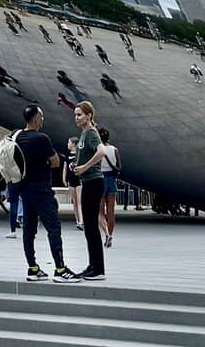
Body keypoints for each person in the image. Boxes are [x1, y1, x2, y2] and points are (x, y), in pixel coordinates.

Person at [14, 105, 80, 283]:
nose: (43, 120)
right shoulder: (42, 138)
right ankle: (60, 269)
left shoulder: (17, 136)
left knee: (29, 229)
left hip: (25, 189)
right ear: (35, 118)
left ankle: (33, 268)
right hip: (41, 189)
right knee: (53, 227)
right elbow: (56, 161)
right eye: (41, 117)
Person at [72, 102, 105, 281]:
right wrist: (77, 166)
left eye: (79, 115)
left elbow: (101, 152)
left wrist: (85, 167)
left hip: (94, 181)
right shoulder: (84, 133)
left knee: (91, 226)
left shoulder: (91, 133)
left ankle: (98, 268)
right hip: (88, 181)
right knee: (89, 227)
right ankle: (92, 265)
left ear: (89, 115)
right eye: (75, 115)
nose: (76, 118)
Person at [98, 127, 119, 249]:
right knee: (111, 212)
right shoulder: (114, 150)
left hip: (100, 179)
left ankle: (106, 233)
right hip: (111, 180)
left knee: (100, 211)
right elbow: (119, 166)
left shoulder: (98, 149)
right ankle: (110, 235)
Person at [64, 137, 83, 229]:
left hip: (79, 180)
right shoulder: (67, 155)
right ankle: (77, 220)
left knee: (79, 202)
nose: (68, 144)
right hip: (71, 180)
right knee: (74, 202)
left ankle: (81, 221)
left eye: (69, 142)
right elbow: (65, 167)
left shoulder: (79, 155)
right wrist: (64, 179)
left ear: (74, 144)